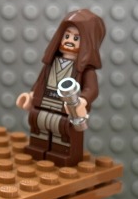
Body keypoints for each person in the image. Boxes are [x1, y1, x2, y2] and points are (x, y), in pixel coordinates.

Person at [16, 9, 106, 166]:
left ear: (88, 42)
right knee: (39, 126)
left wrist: (82, 101)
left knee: (63, 133)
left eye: (76, 38)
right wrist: (30, 96)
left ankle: (63, 155)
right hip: (43, 104)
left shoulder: (85, 70)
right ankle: (38, 149)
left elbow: (92, 90)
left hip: (66, 110)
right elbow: (40, 82)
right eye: (67, 36)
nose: (70, 40)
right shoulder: (51, 64)